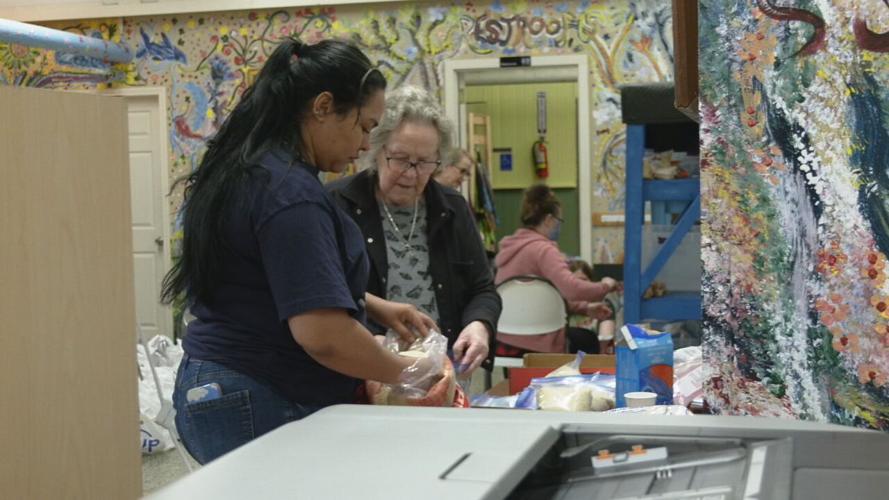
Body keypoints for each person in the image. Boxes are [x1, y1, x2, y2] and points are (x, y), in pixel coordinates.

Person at [161, 39, 440, 465]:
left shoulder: (253, 169)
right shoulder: (291, 195)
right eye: (365, 127)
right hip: (260, 390)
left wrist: (372, 305)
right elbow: (323, 337)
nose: (366, 145)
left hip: (217, 385)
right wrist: (410, 375)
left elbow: (273, 281)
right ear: (324, 106)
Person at [328, 86, 500, 378]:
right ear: (377, 149)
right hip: (364, 371)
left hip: (441, 372)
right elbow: (328, 297)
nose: (411, 173)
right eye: (400, 158)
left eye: (424, 163)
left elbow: (483, 289)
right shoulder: (337, 205)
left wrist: (479, 326)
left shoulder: (453, 208)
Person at [494, 184, 620, 354]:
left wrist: (585, 308)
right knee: (588, 340)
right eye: (559, 221)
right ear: (548, 220)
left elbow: (537, 300)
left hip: (503, 341)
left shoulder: (508, 249)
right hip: (539, 342)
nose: (559, 227)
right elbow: (572, 289)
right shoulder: (544, 250)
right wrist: (605, 286)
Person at [568, 258, 618, 354]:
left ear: (591, 283)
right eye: (574, 282)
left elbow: (606, 340)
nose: (579, 286)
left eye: (583, 281)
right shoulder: (563, 305)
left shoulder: (602, 304)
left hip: (594, 356)